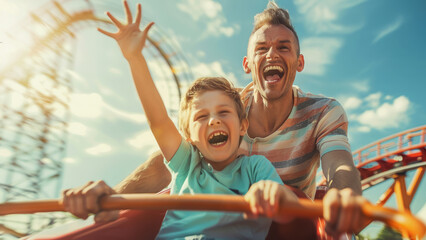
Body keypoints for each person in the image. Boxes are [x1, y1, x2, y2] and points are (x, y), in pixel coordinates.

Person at [63, 1, 366, 238]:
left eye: (283, 47)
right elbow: (164, 148)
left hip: (286, 224)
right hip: (210, 218)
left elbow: (339, 165)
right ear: (248, 65)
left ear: (298, 62)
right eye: (261, 48)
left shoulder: (323, 111)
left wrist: (345, 197)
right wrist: (112, 199)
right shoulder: (230, 107)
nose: (271, 53)